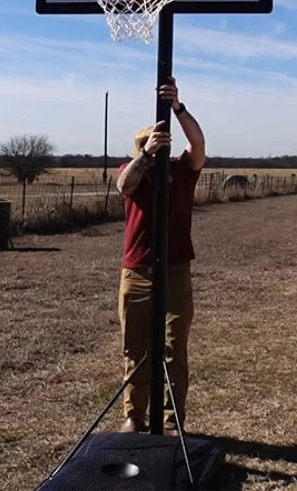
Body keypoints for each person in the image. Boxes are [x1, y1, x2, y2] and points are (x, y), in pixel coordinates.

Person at [115, 76, 206, 436]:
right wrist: (146, 156)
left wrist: (177, 108)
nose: (159, 150)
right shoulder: (133, 173)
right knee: (135, 348)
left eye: (162, 144)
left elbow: (198, 143)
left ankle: (171, 419)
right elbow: (123, 186)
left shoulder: (183, 172)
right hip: (136, 271)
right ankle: (133, 416)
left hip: (175, 270)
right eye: (152, 145)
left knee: (173, 348)